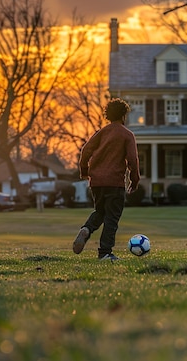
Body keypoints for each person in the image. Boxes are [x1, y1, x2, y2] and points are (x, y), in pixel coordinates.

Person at [73, 98, 140, 261]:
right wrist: (134, 179)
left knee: (100, 211)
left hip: (97, 182)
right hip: (114, 183)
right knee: (112, 217)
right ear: (124, 115)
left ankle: (87, 229)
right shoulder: (127, 135)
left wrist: (85, 171)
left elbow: (85, 151)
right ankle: (105, 253)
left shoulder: (101, 133)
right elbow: (133, 159)